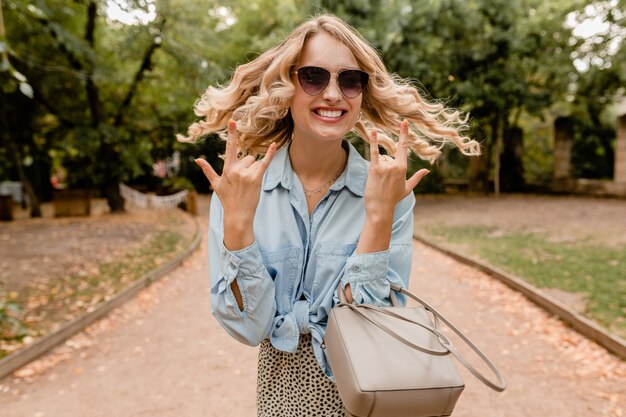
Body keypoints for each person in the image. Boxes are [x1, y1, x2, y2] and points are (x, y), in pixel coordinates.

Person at [178, 14, 479, 417]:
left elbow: (377, 321)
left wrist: (378, 217)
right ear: (288, 86)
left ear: (362, 93)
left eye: (350, 80)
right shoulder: (241, 190)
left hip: (370, 395)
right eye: (314, 77)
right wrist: (237, 226)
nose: (333, 93)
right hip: (278, 399)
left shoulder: (390, 193)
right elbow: (248, 328)